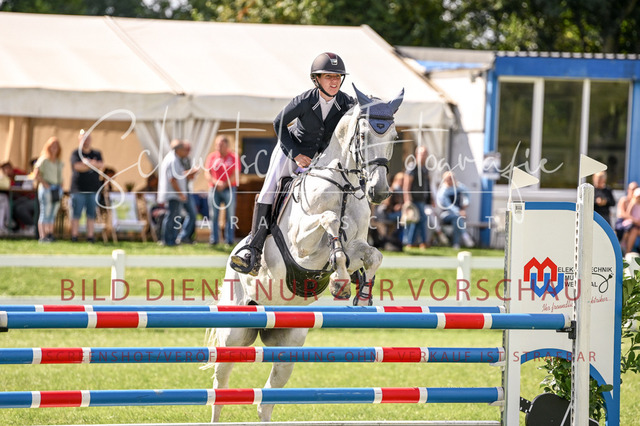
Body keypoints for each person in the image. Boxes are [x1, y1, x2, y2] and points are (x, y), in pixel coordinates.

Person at [231, 52, 356, 276]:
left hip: (321, 158)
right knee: (269, 189)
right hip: (291, 150)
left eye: (338, 76)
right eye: (328, 76)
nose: (334, 81)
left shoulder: (346, 102)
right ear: (316, 79)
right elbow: (278, 123)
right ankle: (253, 249)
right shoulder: (305, 100)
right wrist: (296, 154)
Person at [157, 139, 196, 246]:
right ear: (179, 150)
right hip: (173, 194)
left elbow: (179, 175)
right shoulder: (173, 160)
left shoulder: (176, 159)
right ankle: (168, 240)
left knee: (174, 217)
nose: (186, 152)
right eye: (184, 149)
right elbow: (173, 179)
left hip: (175, 194)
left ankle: (172, 240)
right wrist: (180, 194)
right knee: (171, 217)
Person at [69, 130, 104, 243]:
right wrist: (92, 164)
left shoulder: (97, 153)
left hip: (93, 190)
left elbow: (101, 165)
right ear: (79, 140)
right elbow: (77, 167)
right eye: (83, 139)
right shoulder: (76, 153)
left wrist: (86, 164)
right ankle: (74, 236)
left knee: (91, 214)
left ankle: (90, 236)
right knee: (76, 214)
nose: (86, 141)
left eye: (88, 138)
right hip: (78, 190)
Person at [205, 135, 240, 246]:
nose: (218, 147)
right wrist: (216, 182)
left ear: (227, 145)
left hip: (229, 188)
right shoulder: (212, 156)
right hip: (214, 189)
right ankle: (214, 239)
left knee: (230, 215)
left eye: (221, 145)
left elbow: (235, 174)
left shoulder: (233, 157)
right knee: (214, 215)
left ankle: (229, 240)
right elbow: (207, 173)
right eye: (217, 145)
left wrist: (224, 184)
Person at [33, 137, 64, 242]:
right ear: (48, 147)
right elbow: (36, 174)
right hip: (46, 188)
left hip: (56, 188)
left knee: (53, 212)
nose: (54, 148)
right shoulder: (43, 159)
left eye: (56, 146)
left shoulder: (58, 161)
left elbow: (60, 177)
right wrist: (45, 184)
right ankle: (43, 236)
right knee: (45, 212)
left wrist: (61, 187)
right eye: (52, 146)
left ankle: (50, 233)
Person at [402, 146, 432, 249]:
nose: (423, 156)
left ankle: (411, 242)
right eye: (421, 154)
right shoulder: (412, 167)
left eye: (425, 154)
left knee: (417, 220)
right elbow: (406, 185)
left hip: (422, 199)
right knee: (421, 218)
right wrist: (407, 200)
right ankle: (422, 242)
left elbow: (427, 185)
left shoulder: (425, 169)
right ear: (416, 154)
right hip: (414, 199)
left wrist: (431, 198)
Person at [436, 170, 474, 249]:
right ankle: (465, 235)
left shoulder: (458, 187)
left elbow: (467, 193)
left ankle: (456, 244)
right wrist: (459, 212)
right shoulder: (443, 191)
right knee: (457, 217)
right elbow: (448, 206)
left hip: (457, 215)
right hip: (446, 214)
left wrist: (466, 203)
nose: (452, 180)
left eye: (453, 178)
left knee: (456, 220)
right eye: (449, 178)